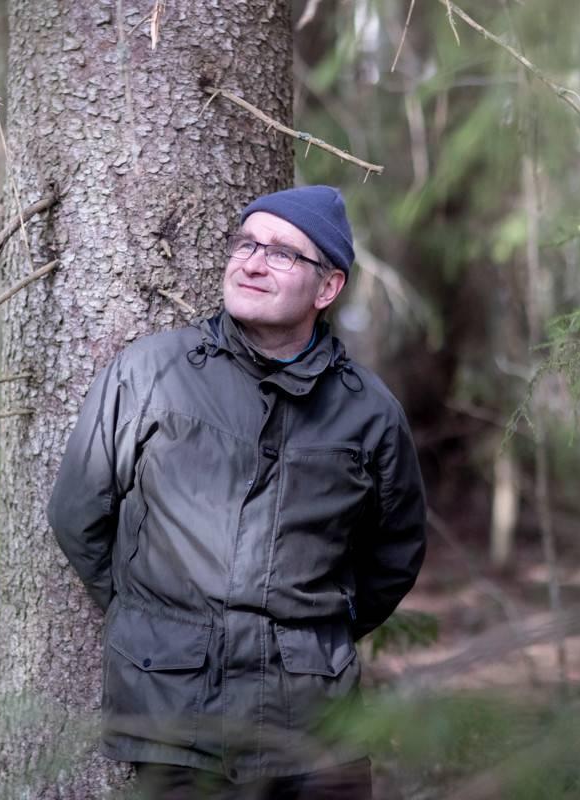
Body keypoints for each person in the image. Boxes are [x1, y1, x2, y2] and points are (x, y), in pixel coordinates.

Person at [47, 185, 427, 799]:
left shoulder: (369, 413)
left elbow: (394, 553)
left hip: (313, 725)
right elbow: (78, 513)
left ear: (327, 288)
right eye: (246, 243)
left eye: (281, 254)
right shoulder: (150, 374)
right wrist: (155, 621)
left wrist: (311, 642)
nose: (250, 262)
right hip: (175, 718)